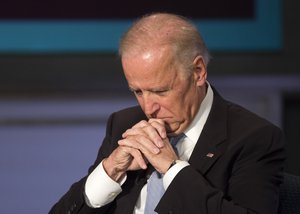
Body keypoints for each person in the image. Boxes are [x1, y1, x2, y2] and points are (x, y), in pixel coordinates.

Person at [49, 13, 285, 214]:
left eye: (160, 91)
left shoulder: (254, 138)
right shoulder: (124, 123)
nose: (148, 108)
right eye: (137, 91)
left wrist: (172, 168)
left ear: (198, 72)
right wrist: (110, 170)